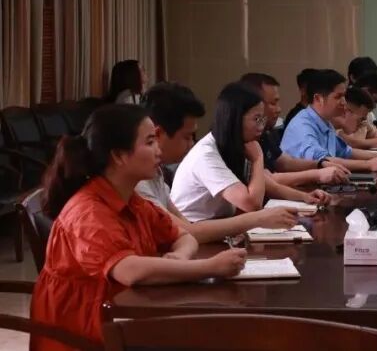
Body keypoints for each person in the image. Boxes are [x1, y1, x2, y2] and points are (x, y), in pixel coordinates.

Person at [31, 105, 246, 350]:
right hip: (84, 330)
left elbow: (184, 235)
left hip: (124, 313)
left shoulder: (132, 199)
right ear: (119, 156)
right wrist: (209, 267)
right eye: (150, 142)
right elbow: (129, 271)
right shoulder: (88, 212)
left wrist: (180, 256)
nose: (158, 150)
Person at [137, 82, 299, 243]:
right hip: (200, 233)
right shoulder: (140, 181)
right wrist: (258, 218)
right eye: (187, 137)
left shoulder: (155, 173)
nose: (191, 144)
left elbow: (187, 231)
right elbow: (190, 231)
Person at [171, 82, 330, 222]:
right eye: (256, 119)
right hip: (196, 230)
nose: (261, 126)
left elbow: (269, 185)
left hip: (219, 224)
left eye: (262, 119)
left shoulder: (238, 144)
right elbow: (251, 205)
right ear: (234, 119)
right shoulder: (207, 155)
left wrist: (305, 197)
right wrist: (257, 159)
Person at [239, 73, 350, 187]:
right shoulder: (237, 141)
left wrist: (320, 164)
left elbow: (284, 163)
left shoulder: (264, 134)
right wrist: (317, 174)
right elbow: (268, 180)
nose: (279, 109)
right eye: (273, 103)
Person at [279, 69, 377, 172]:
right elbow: (324, 161)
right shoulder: (303, 126)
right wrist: (368, 164)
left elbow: (346, 152)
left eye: (344, 96)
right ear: (318, 99)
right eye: (338, 97)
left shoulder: (325, 123)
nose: (344, 102)